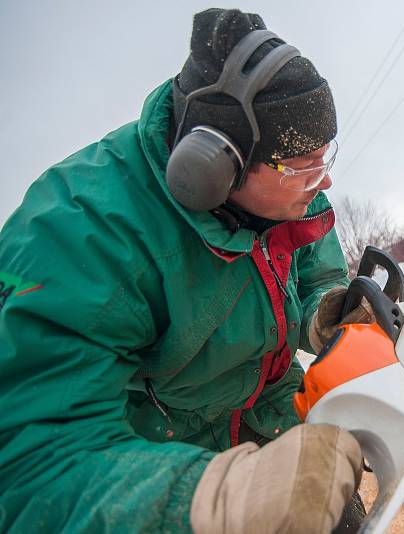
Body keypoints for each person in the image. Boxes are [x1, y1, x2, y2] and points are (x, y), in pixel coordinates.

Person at [0, 8, 372, 533]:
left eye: (324, 156)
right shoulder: (76, 234)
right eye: (303, 164)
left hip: (268, 411)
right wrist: (217, 499)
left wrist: (326, 311)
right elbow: (33, 461)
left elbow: (312, 265)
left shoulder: (291, 196)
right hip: (149, 471)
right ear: (215, 168)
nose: (323, 180)